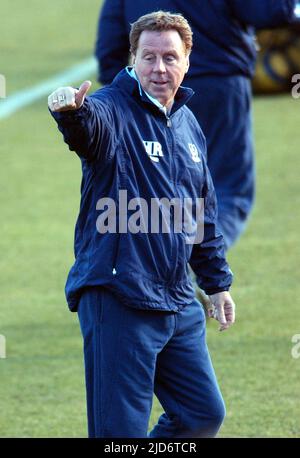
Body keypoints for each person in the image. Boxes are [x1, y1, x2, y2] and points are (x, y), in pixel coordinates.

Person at [48, 11, 235, 438]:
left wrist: (217, 282)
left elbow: (201, 213)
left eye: (170, 57)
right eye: (148, 57)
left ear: (188, 59)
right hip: (120, 298)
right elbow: (89, 132)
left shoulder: (188, 124)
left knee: (202, 415)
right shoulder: (110, 109)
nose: (159, 68)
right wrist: (71, 115)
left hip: (177, 300)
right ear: (132, 59)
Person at [95, 0, 297, 249]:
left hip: (151, 93)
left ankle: (167, 266)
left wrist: (120, 93)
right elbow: (269, 11)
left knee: (158, 190)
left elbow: (110, 36)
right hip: (219, 82)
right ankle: (203, 265)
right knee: (229, 188)